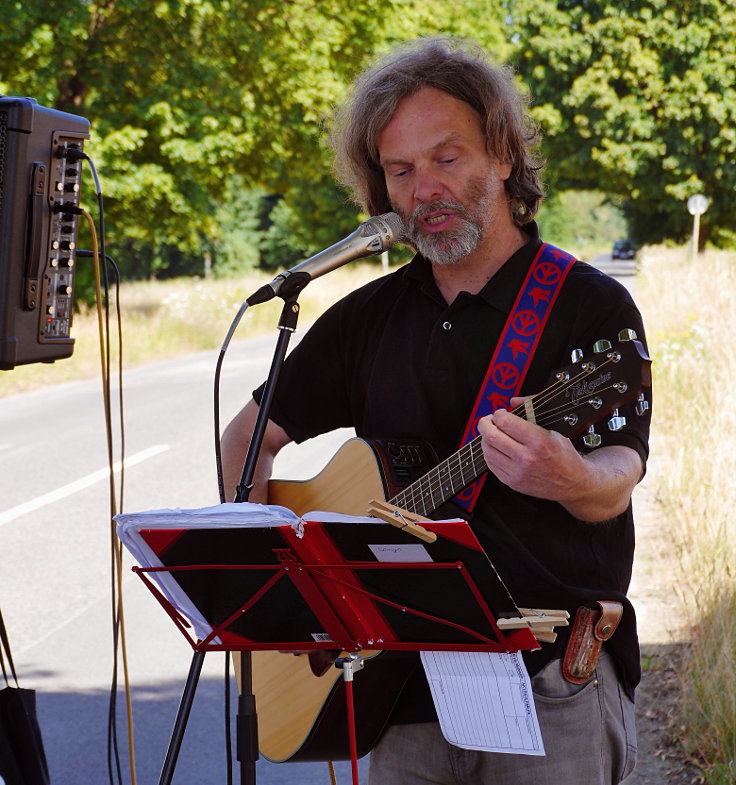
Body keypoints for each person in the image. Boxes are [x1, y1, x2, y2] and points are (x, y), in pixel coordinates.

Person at [221, 37, 651, 785]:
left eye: (446, 158)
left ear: (505, 157)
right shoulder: (364, 318)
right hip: (395, 690)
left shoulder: (590, 309)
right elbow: (246, 440)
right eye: (401, 169)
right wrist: (297, 594)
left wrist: (570, 476)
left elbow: (621, 471)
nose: (425, 188)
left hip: (549, 684)